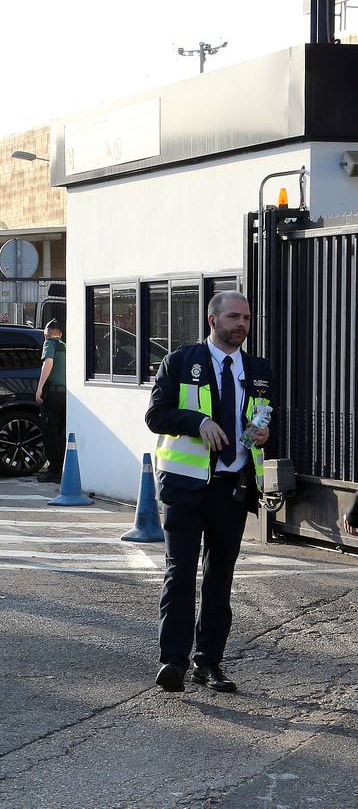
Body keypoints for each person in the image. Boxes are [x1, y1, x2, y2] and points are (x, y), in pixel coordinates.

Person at [146, 291, 272, 694]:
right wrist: (196, 421)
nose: (242, 325)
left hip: (232, 489)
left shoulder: (258, 370)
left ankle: (209, 664)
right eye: (234, 317)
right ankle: (174, 662)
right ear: (211, 319)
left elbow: (262, 418)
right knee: (180, 573)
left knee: (219, 580)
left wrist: (264, 433)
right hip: (185, 488)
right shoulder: (180, 362)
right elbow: (156, 415)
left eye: (247, 318)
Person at [34, 320, 67, 483]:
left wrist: (40, 387)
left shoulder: (50, 344)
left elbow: (48, 362)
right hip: (66, 396)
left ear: (45, 334)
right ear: (60, 333)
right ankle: (61, 468)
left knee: (50, 432)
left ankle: (54, 469)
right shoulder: (66, 346)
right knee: (61, 433)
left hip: (53, 394)